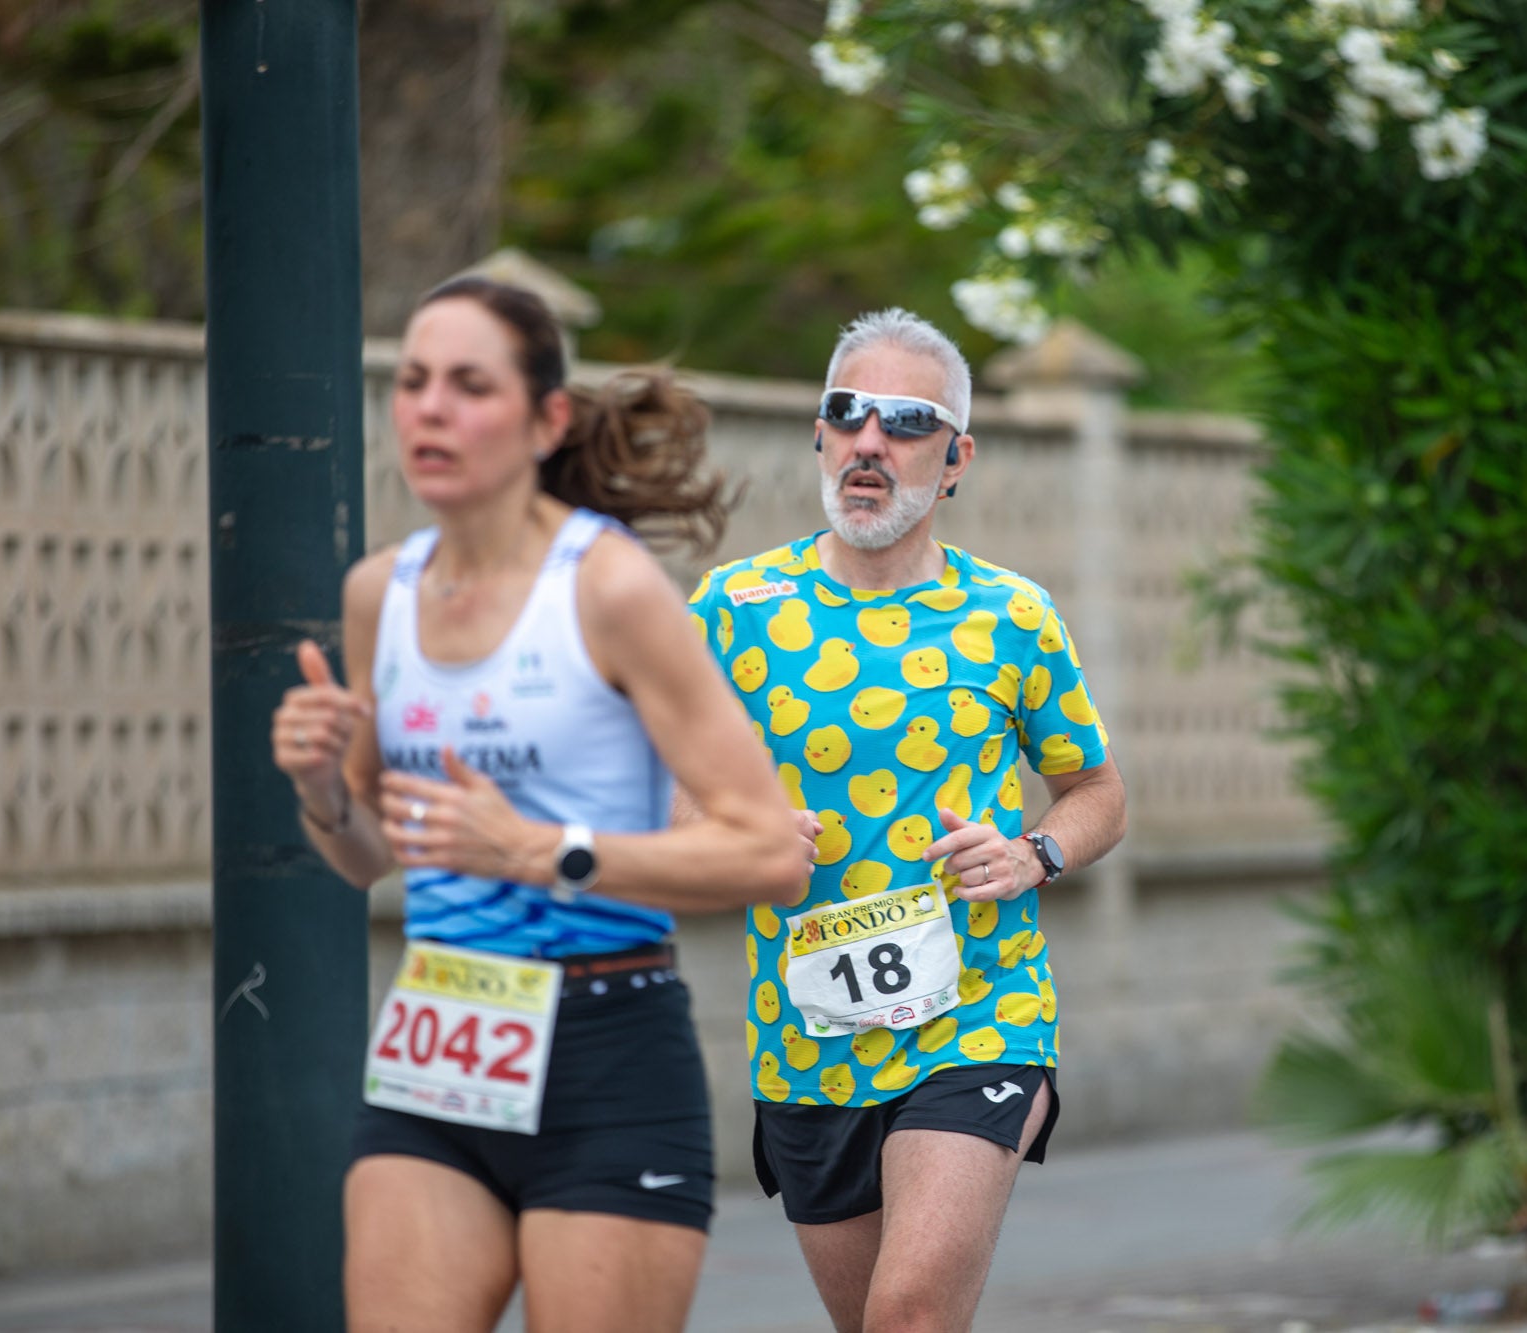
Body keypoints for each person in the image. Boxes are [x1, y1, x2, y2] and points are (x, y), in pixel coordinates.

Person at [270, 275, 807, 1333]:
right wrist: (322, 789)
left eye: (469, 385)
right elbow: (369, 854)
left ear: (543, 418)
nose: (429, 408)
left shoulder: (607, 590)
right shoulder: (380, 590)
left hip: (606, 1050)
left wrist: (544, 851)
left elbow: (766, 851)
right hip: (442, 1033)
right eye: (414, 382)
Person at [688, 307, 1128, 1331]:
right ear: (819, 432)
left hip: (977, 1017)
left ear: (956, 455)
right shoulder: (731, 608)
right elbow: (657, 790)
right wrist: (732, 835)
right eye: (847, 413)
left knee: (911, 1315)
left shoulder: (1010, 616)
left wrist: (1032, 854)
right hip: (804, 1040)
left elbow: (1098, 793)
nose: (869, 441)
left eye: (906, 420)